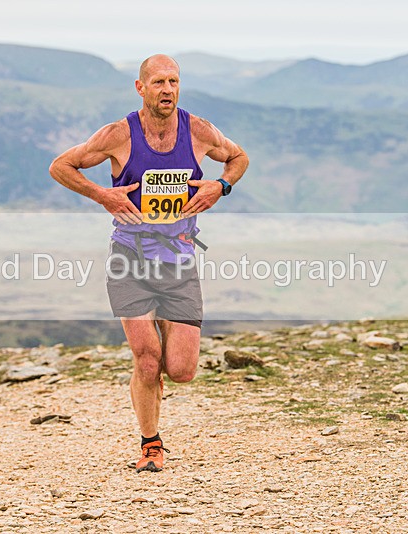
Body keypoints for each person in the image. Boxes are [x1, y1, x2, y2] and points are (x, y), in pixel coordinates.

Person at [49, 54, 249, 472]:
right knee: (146, 359)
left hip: (179, 262)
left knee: (181, 370)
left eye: (174, 81)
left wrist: (221, 186)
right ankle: (150, 443)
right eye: (158, 82)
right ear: (140, 88)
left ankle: (158, 366)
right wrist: (102, 195)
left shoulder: (198, 130)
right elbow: (61, 166)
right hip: (130, 261)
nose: (167, 90)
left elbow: (238, 158)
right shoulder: (119, 135)